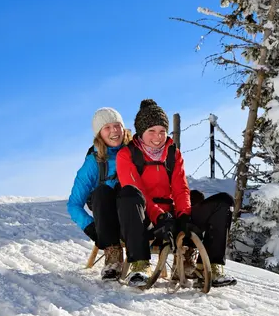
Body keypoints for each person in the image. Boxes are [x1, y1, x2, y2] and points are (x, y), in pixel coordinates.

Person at [116, 98, 237, 288]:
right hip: (142, 218)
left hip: (171, 216)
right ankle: (140, 265)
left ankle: (209, 268)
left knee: (223, 202)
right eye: (152, 131)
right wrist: (160, 216)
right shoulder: (127, 154)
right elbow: (137, 191)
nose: (158, 137)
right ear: (140, 132)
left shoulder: (173, 153)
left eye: (162, 131)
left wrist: (183, 216)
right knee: (130, 195)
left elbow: (181, 188)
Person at [68, 107, 132, 280]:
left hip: (134, 214)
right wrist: (92, 229)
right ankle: (112, 255)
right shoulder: (94, 161)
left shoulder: (136, 151)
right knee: (102, 191)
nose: (114, 131)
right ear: (99, 134)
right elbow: (74, 204)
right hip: (108, 216)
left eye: (117, 125)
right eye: (107, 127)